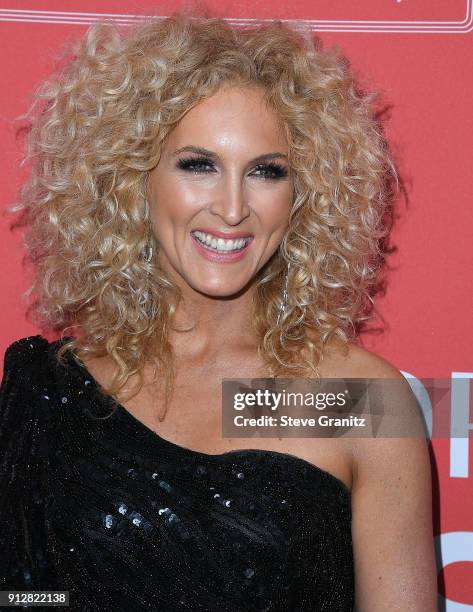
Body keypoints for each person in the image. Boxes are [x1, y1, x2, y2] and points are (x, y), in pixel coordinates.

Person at [0, 9, 437, 611]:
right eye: (198, 165)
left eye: (266, 172)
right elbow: (25, 599)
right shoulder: (48, 395)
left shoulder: (354, 399)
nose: (232, 209)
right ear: (133, 179)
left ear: (302, 197)